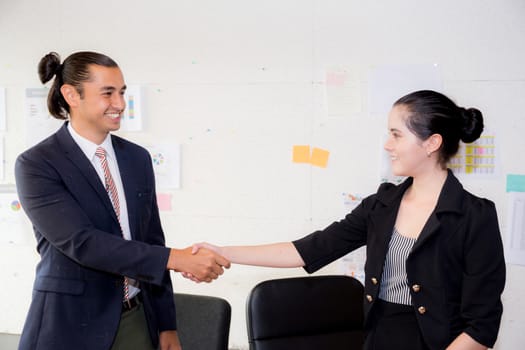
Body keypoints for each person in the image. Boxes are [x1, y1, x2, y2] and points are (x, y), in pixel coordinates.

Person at [190, 90, 506, 350]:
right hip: (377, 339)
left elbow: (483, 323)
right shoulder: (381, 205)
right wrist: (225, 251)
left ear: (432, 143)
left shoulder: (474, 216)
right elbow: (308, 249)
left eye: (396, 134)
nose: (387, 144)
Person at [15, 51, 230, 350]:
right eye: (107, 93)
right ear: (71, 95)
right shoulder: (37, 164)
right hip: (68, 327)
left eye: (122, 92)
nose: (119, 104)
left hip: (136, 318)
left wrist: (167, 325)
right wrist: (177, 258)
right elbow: (83, 242)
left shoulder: (137, 158)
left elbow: (152, 239)